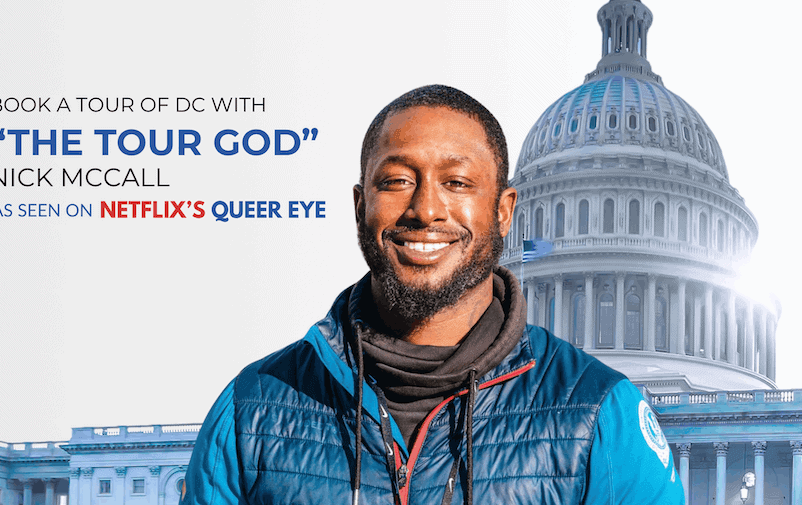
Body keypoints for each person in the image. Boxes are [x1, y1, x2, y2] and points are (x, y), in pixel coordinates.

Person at [182, 85, 685, 504]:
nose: (426, 209)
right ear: (361, 206)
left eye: (457, 182)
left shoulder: (600, 413)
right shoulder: (252, 410)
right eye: (398, 180)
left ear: (504, 211)